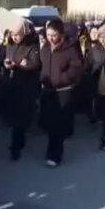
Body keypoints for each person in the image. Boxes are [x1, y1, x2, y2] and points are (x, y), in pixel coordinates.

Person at [39, 19, 83, 167]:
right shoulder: (45, 48)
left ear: (61, 34)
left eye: (54, 35)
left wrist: (61, 78)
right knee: (49, 123)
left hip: (62, 91)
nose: (51, 38)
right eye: (48, 34)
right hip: (48, 90)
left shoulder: (70, 49)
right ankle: (50, 148)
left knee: (59, 124)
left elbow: (76, 69)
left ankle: (56, 154)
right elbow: (42, 66)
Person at [2, 21, 41, 161]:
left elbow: (34, 64)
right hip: (12, 85)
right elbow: (7, 59)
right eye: (12, 34)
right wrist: (7, 64)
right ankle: (19, 140)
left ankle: (16, 147)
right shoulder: (11, 46)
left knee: (20, 118)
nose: (15, 37)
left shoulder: (31, 45)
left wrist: (19, 65)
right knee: (16, 118)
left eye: (17, 34)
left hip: (26, 86)